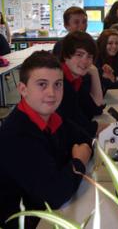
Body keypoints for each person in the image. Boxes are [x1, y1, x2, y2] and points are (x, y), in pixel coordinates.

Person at [0, 50, 92, 229]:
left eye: (58, 84)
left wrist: (69, 169)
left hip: (50, 213)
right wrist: (78, 161)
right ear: (23, 89)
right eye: (42, 84)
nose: (52, 93)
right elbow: (54, 195)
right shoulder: (15, 135)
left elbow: (87, 140)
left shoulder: (53, 117)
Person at [58, 30, 107, 137]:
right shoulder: (59, 83)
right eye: (79, 55)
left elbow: (96, 108)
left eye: (89, 56)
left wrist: (94, 73)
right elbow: (80, 127)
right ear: (66, 56)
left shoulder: (77, 79)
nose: (85, 61)